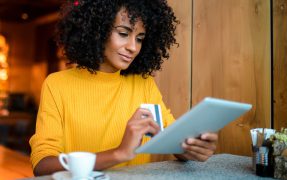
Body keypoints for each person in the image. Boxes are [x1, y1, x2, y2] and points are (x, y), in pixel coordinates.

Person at [30, 0, 218, 176]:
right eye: (123, 33)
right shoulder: (57, 84)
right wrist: (118, 154)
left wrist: (192, 147)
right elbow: (42, 165)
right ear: (97, 30)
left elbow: (170, 139)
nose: (133, 47)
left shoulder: (144, 84)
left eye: (140, 38)